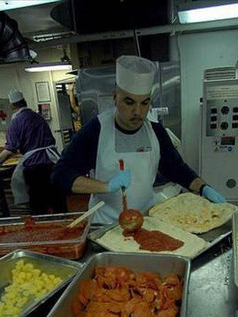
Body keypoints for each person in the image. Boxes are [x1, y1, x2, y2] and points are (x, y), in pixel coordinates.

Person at [51, 55, 226, 225]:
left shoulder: (155, 131)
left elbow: (176, 168)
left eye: (144, 103)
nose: (138, 112)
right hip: (106, 225)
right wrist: (107, 186)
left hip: (147, 220)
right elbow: (60, 175)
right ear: (115, 97)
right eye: (129, 102)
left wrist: (204, 188)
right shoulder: (97, 130)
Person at [0, 89, 66, 215]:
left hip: (35, 168)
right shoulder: (38, 117)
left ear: (11, 105)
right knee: (58, 202)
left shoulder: (17, 122)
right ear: (25, 102)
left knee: (39, 206)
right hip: (52, 163)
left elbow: (10, 149)